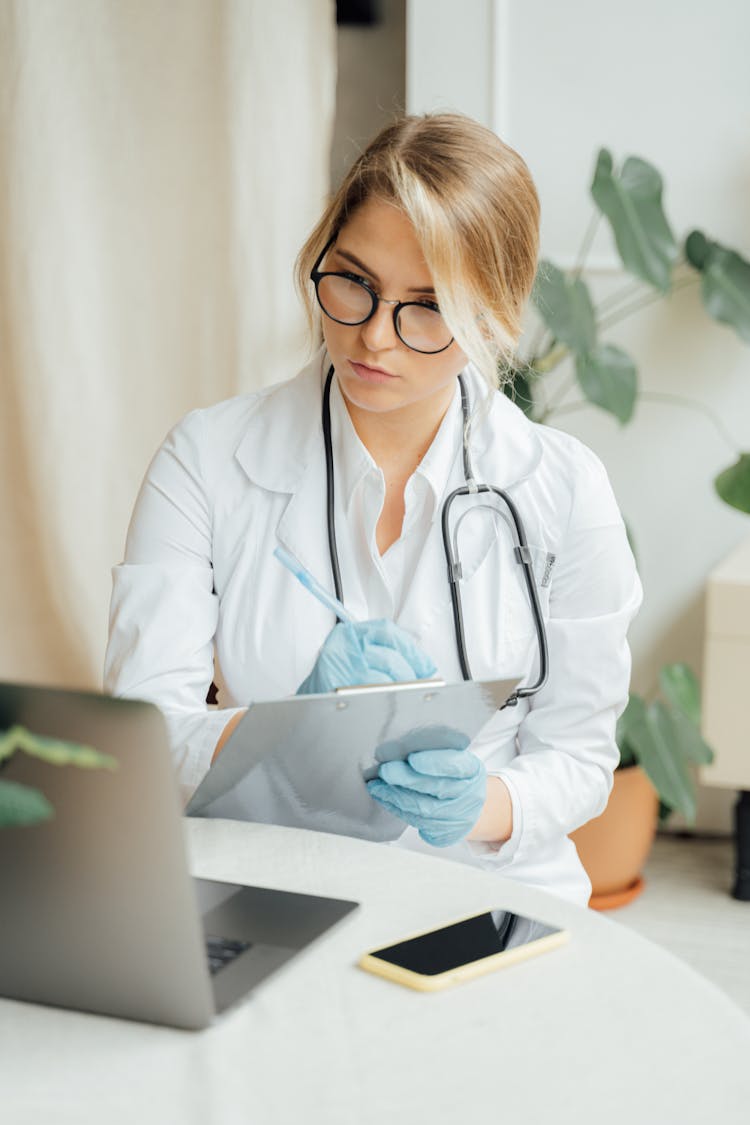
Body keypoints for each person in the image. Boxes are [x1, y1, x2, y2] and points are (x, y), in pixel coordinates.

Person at [104, 112, 642, 906]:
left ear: (494, 311)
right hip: (271, 878)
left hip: (490, 890)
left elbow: (580, 758)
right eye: (353, 281)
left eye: (426, 305)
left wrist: (484, 804)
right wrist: (288, 728)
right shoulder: (208, 460)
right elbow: (144, 736)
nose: (374, 338)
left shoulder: (563, 488)